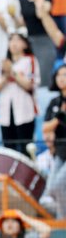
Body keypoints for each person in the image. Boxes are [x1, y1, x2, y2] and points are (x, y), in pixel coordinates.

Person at [0, 33, 39, 154]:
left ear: (25, 44)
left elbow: (29, 84)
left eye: (17, 40)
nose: (14, 43)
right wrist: (6, 73)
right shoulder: (4, 63)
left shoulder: (30, 60)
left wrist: (12, 71)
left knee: (26, 149)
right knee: (9, 150)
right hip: (6, 112)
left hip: (25, 111)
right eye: (11, 40)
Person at [42, 65, 66, 218]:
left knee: (58, 185)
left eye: (64, 74)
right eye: (59, 75)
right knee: (51, 189)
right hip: (60, 151)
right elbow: (45, 127)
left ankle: (62, 222)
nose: (61, 78)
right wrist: (59, 117)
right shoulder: (55, 102)